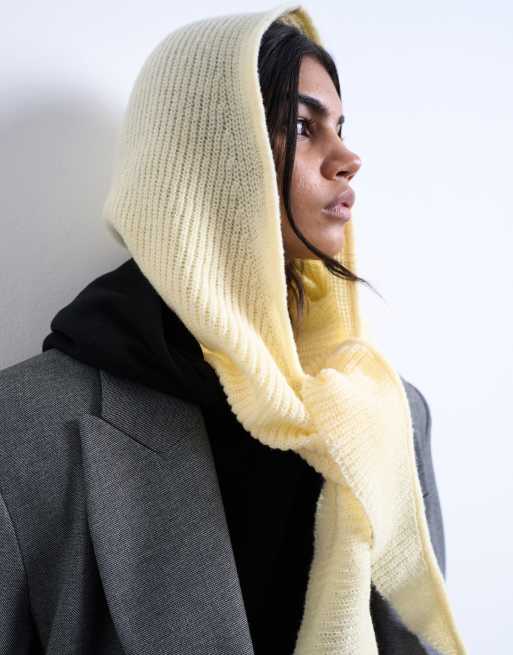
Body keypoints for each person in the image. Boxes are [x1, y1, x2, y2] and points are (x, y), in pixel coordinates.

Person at [0, 3, 468, 654]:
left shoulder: (388, 415)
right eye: (302, 127)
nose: (347, 157)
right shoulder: (26, 427)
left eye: (339, 127)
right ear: (210, 157)